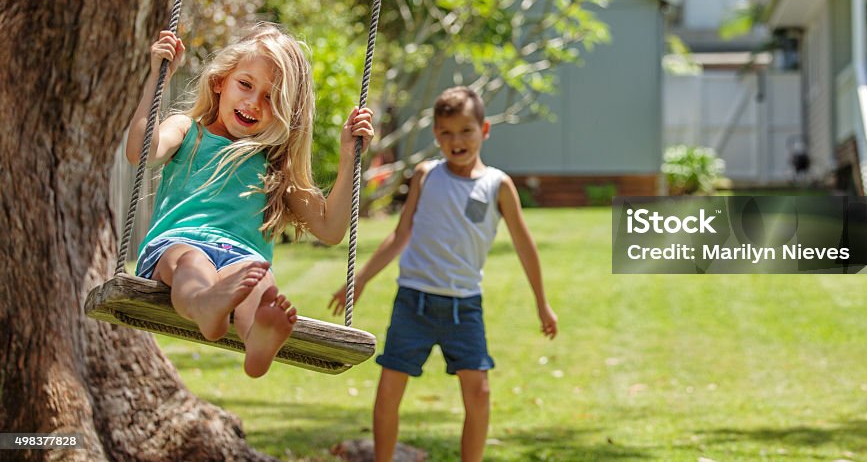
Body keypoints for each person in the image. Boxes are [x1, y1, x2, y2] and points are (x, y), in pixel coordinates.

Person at [128, 24, 373, 378]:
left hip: (242, 258)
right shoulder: (187, 131)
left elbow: (331, 229)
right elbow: (140, 150)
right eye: (245, 84)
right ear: (219, 81)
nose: (253, 103)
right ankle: (204, 304)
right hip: (178, 244)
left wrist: (349, 157)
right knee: (193, 264)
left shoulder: (275, 167)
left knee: (258, 282)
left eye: (271, 98)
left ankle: (256, 341)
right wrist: (158, 79)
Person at [328, 86, 557, 462]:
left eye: (466, 130)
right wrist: (361, 280)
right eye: (446, 132)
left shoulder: (498, 185)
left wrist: (542, 305)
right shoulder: (425, 175)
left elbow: (524, 246)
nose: (456, 141)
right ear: (436, 135)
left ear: (483, 130)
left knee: (479, 392)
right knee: (388, 391)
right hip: (413, 303)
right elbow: (400, 235)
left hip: (463, 308)